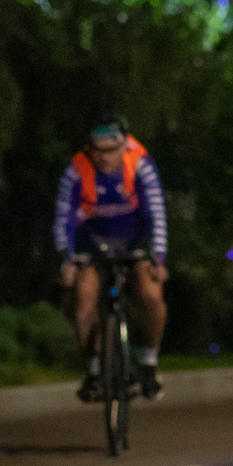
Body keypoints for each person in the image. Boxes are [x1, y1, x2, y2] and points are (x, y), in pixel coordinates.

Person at [54, 116, 168, 400]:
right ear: (90, 149)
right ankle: (94, 372)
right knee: (84, 300)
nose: (104, 158)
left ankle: (149, 364)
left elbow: (156, 213)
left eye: (111, 150)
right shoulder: (76, 170)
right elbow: (63, 218)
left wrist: (159, 257)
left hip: (134, 240)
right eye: (98, 151)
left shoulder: (140, 164)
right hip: (92, 244)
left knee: (151, 294)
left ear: (124, 146)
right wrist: (67, 259)